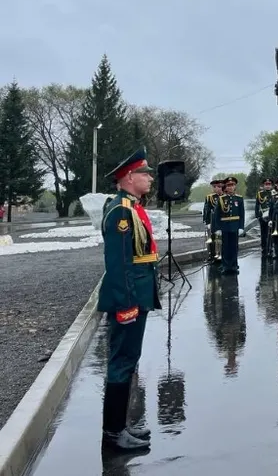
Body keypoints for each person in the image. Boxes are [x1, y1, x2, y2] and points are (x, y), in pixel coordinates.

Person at [98, 147, 160, 452]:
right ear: (129, 177)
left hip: (138, 294)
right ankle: (113, 433)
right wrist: (126, 305)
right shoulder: (121, 211)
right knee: (121, 362)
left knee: (128, 360)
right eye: (145, 173)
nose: (150, 178)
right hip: (129, 297)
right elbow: (120, 263)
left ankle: (120, 425)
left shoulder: (131, 206)